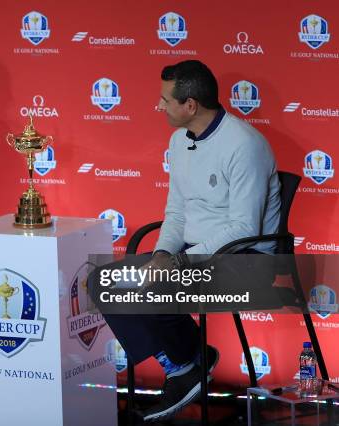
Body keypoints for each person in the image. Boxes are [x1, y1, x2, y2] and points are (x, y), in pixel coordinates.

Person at [101, 60, 280, 422]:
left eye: (165, 100)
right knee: (106, 283)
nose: (160, 106)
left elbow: (243, 227)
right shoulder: (179, 141)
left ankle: (189, 367)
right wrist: (164, 252)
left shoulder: (244, 145)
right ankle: (185, 365)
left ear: (191, 105)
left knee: (157, 287)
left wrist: (178, 263)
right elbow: (177, 211)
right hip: (195, 252)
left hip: (247, 258)